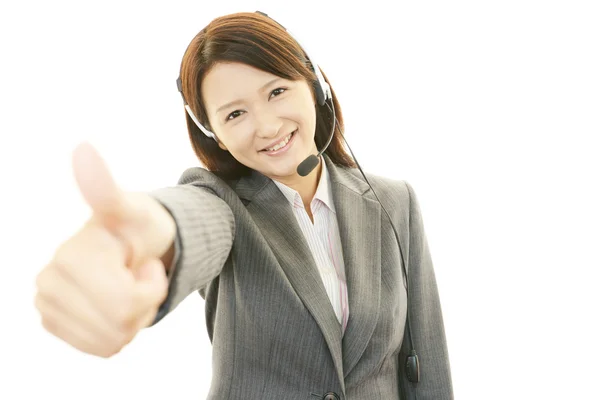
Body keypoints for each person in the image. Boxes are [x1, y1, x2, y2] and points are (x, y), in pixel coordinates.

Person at [34, 11, 453, 400]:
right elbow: (191, 222)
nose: (267, 126)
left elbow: (427, 361)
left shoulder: (394, 202)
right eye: (235, 114)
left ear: (315, 86)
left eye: (277, 91)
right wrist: (150, 238)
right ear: (212, 132)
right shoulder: (224, 203)